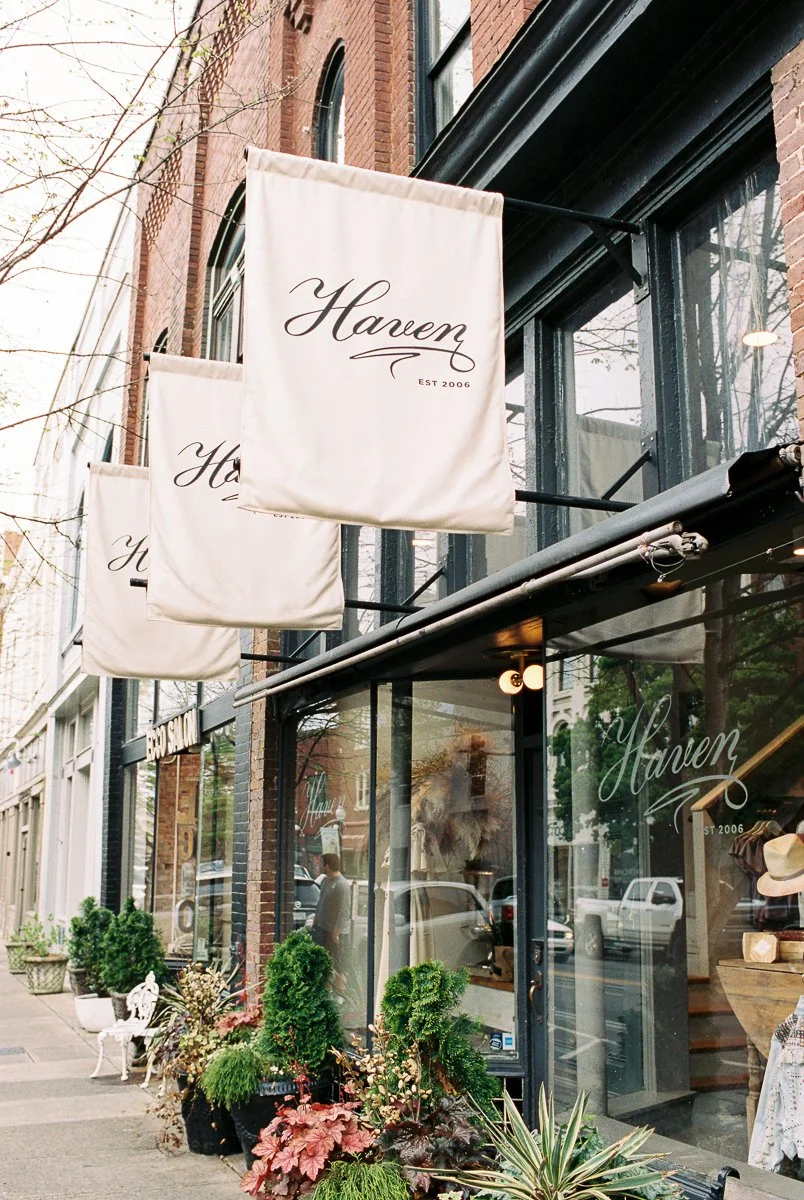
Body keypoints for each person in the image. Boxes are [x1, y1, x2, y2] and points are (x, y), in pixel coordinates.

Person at [312, 853, 351, 979]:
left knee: (339, 965)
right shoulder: (325, 880)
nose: (318, 866)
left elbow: (344, 910)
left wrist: (337, 932)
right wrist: (315, 919)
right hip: (322, 928)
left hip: (334, 932)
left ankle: (341, 992)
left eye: (320, 863)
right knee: (323, 964)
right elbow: (320, 901)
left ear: (327, 866)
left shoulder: (342, 884)